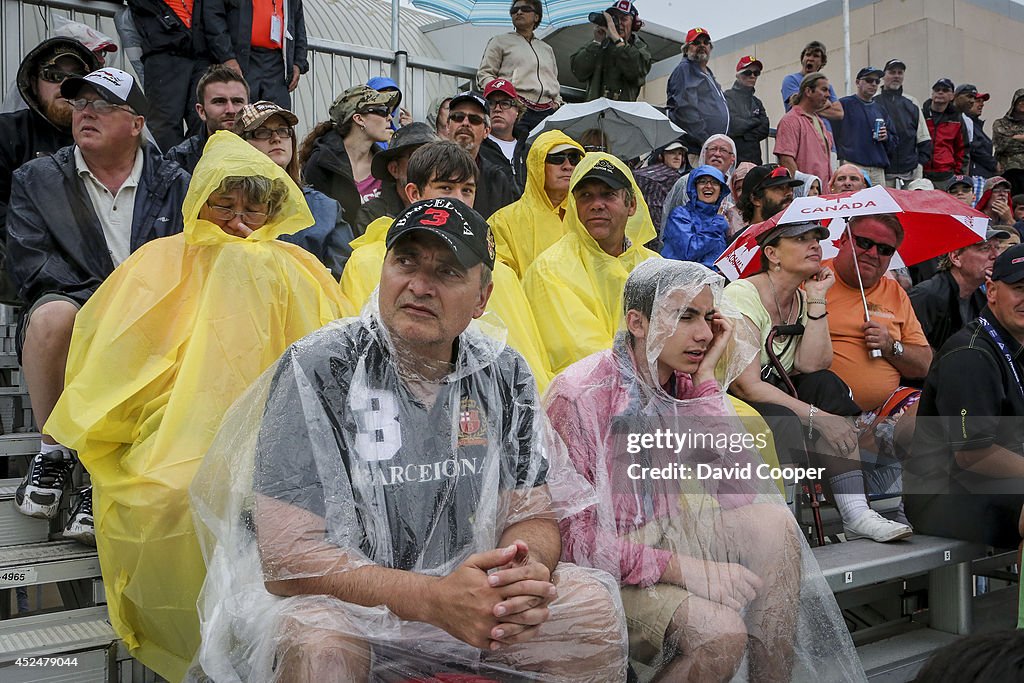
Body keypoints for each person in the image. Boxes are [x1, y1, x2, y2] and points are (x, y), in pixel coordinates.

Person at [189, 197, 628, 682]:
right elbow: (288, 559)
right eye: (405, 261)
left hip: (470, 598)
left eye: (447, 272)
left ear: (483, 297)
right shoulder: (320, 367)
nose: (419, 286)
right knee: (319, 641)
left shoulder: (503, 373)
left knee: (590, 609)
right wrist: (432, 599)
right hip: (350, 608)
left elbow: (532, 513)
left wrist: (520, 574)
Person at [43, 132, 352, 681]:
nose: (238, 220)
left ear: (275, 207)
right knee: (170, 494)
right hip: (172, 429)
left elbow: (338, 362)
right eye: (223, 205)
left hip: (288, 435)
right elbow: (119, 362)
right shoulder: (161, 261)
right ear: (199, 201)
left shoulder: (301, 266)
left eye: (253, 207)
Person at [549, 259, 864, 682]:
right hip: (602, 569)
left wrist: (706, 386)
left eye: (708, 317)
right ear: (636, 323)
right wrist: (684, 569)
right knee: (720, 634)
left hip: (666, 534)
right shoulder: (580, 395)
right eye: (685, 316)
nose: (702, 334)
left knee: (774, 525)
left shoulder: (683, 386)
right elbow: (574, 543)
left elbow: (737, 492)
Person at [9, 68, 189, 537]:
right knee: (52, 316)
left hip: (153, 317)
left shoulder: (176, 182)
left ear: (136, 123)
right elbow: (29, 262)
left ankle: (101, 473)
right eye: (80, 103)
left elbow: (193, 260)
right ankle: (54, 451)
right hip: (77, 308)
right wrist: (107, 304)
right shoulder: (37, 178)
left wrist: (135, 306)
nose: (86, 112)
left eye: (104, 104)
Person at [726, 220, 913, 542]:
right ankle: (781, 523)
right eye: (800, 239)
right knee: (783, 418)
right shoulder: (742, 294)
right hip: (730, 399)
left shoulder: (801, 297)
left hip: (774, 390)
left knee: (828, 385)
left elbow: (812, 364)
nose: (814, 245)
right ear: (772, 253)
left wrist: (816, 298)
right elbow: (746, 385)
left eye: (816, 238)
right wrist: (820, 418)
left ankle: (856, 511)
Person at [341, 140, 553, 390]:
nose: (458, 200)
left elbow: (529, 358)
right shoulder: (368, 262)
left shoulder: (500, 272)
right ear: (414, 194)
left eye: (467, 190)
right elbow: (362, 351)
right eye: (445, 188)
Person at [905, 243, 1024, 555]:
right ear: (993, 291)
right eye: (1019, 288)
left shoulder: (1015, 344)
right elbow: (974, 453)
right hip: (945, 496)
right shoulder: (970, 354)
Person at [524, 154, 657, 374]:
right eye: (585, 196)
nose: (596, 205)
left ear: (631, 204)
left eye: (608, 195)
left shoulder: (653, 266)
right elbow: (578, 353)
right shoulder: (550, 269)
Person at [0, 37, 99, 302]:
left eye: (78, 78)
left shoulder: (109, 137)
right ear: (33, 83)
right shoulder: (7, 132)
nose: (65, 85)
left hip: (98, 269)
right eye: (53, 75)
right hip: (25, 259)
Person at [235, 100, 354, 278]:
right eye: (261, 132)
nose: (276, 138)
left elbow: (343, 276)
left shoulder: (324, 208)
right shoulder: (225, 207)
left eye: (283, 130)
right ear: (240, 144)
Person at [490, 131, 584, 279]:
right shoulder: (502, 222)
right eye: (557, 158)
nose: (568, 166)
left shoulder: (587, 216)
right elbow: (501, 282)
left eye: (574, 159)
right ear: (537, 164)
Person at [300, 85, 398, 226]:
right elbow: (314, 223)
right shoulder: (321, 162)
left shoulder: (388, 165)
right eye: (382, 111)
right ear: (359, 119)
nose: (389, 117)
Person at [127, 0, 209, 151]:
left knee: (202, 120)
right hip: (164, 49)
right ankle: (169, 172)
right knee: (165, 125)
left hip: (200, 49)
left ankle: (194, 171)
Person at [910, 228, 1009, 350]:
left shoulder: (981, 298)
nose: (996, 256)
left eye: (997, 247)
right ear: (956, 257)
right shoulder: (927, 295)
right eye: (985, 248)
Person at [477, 0, 562, 136]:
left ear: (536, 17)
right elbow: (485, 74)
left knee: (543, 153)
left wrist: (557, 101)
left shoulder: (547, 49)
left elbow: (553, 80)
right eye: (514, 10)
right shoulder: (500, 41)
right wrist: (504, 95)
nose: (519, 12)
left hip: (547, 111)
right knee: (517, 152)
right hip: (516, 108)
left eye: (525, 9)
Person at [203, 0, 307, 109]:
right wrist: (227, 58)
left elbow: (298, 24)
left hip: (277, 64)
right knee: (239, 115)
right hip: (241, 60)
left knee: (277, 119)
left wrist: (298, 63)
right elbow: (213, 17)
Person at [355, 122, 438, 235]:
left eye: (434, 157)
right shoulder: (373, 214)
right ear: (394, 169)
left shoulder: (452, 205)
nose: (427, 164)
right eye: (416, 156)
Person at [444, 91, 517, 219]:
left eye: (475, 119)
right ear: (447, 126)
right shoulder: (429, 168)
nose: (465, 123)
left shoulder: (497, 179)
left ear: (486, 131)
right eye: (458, 117)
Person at [165, 63, 249, 173]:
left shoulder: (264, 149)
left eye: (237, 101)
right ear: (201, 111)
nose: (230, 110)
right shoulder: (180, 159)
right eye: (219, 102)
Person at [570, 0, 651, 103]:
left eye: (624, 19)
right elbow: (578, 71)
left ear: (633, 24)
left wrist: (617, 40)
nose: (618, 23)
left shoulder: (640, 48)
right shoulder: (600, 45)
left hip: (622, 114)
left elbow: (636, 71)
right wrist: (597, 42)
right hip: (595, 112)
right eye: (614, 19)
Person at [665, 27, 729, 153]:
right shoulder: (685, 70)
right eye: (696, 43)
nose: (702, 45)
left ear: (710, 47)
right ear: (686, 49)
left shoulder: (707, 73)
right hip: (696, 149)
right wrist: (705, 140)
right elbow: (685, 110)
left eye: (705, 42)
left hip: (711, 148)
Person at [874, 59, 933, 188]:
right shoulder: (873, 102)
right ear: (884, 75)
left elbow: (924, 138)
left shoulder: (912, 102)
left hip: (910, 173)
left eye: (900, 73)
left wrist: (919, 165)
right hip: (882, 172)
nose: (896, 76)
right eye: (892, 72)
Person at [661, 134, 736, 234]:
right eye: (713, 149)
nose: (717, 154)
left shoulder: (735, 185)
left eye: (723, 150)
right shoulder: (685, 182)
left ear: (732, 158)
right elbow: (668, 222)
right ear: (704, 153)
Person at [833, 67, 894, 188]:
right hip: (853, 165)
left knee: (880, 205)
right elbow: (833, 134)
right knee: (854, 203)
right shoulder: (844, 104)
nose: (873, 84)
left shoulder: (880, 109)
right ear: (857, 82)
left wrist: (886, 137)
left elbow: (894, 140)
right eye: (869, 80)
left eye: (877, 81)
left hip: (877, 168)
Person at [661, 165, 730, 267]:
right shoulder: (679, 215)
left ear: (721, 190)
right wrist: (717, 225)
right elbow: (689, 251)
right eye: (703, 181)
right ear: (694, 187)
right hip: (683, 281)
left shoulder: (721, 218)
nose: (709, 186)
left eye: (715, 182)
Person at [774, 72, 835, 184]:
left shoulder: (819, 121)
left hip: (822, 195)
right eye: (824, 90)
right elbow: (786, 160)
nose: (828, 95)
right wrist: (802, 189)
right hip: (805, 197)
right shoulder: (790, 120)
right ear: (808, 91)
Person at [478, 78, 529, 193]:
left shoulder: (529, 151)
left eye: (505, 103)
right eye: (491, 103)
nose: (497, 109)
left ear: (517, 111)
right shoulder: (477, 148)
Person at [780, 40, 843, 128]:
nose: (810, 59)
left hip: (825, 137)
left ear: (822, 62)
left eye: (816, 56)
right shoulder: (791, 80)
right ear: (802, 59)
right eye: (808, 55)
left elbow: (839, 113)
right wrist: (827, 104)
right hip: (803, 133)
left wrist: (810, 108)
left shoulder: (826, 85)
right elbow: (798, 104)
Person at [634, 139, 687, 233]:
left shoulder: (642, 172)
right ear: (661, 156)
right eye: (672, 153)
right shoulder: (672, 177)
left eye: (680, 154)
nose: (677, 157)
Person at [725, 55, 770, 165]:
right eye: (748, 72)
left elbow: (765, 128)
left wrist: (745, 134)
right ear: (739, 75)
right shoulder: (727, 96)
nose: (752, 76)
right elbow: (734, 125)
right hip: (734, 160)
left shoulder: (757, 102)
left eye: (756, 73)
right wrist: (755, 122)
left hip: (755, 161)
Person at [922, 78, 968, 184]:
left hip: (947, 175)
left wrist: (958, 175)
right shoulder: (921, 115)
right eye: (937, 89)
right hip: (923, 175)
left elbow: (963, 150)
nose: (940, 92)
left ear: (952, 96)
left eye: (945, 90)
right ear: (932, 94)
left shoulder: (957, 119)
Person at [736, 163, 803, 228]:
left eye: (789, 187)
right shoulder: (742, 239)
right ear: (755, 199)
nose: (789, 193)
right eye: (779, 188)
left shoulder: (797, 234)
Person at [955, 84, 997, 179]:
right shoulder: (963, 121)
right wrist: (994, 164)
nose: (981, 104)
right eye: (978, 101)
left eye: (982, 102)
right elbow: (974, 148)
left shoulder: (975, 124)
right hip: (972, 175)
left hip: (982, 174)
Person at [993, 89, 1024, 196]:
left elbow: (1009, 142)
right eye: (1020, 100)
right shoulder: (1000, 123)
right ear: (1014, 102)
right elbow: (1001, 146)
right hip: (1009, 171)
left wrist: (1014, 137)